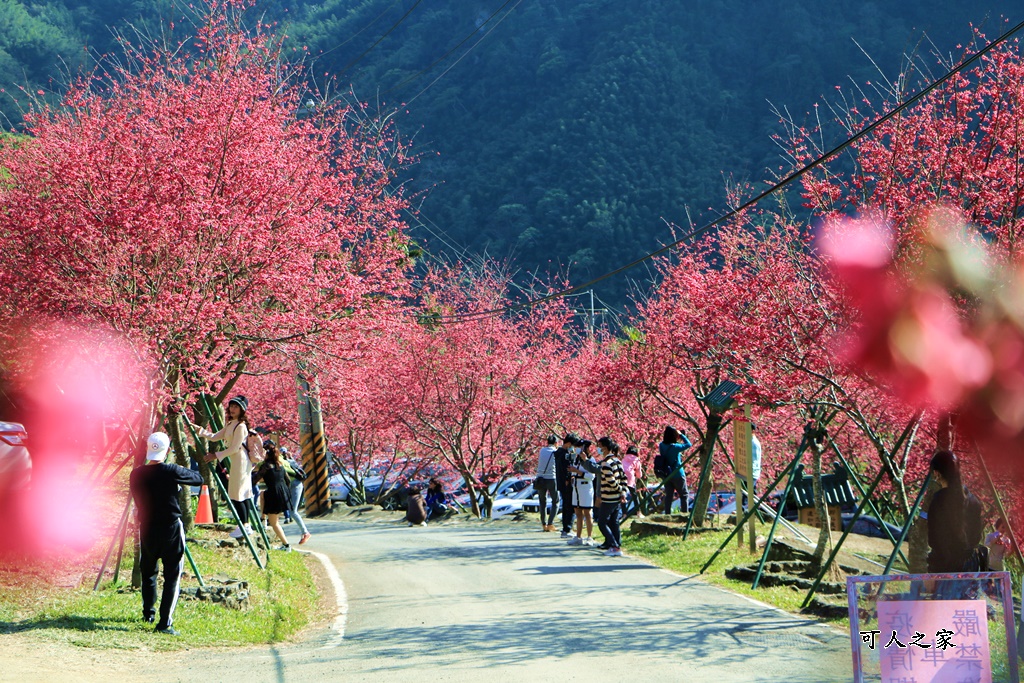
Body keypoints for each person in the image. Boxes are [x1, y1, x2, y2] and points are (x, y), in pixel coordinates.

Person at [129, 432, 203, 635]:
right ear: (168, 450)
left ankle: (148, 613)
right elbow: (198, 478)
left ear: (147, 449)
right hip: (170, 527)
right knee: (172, 575)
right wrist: (177, 468)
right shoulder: (171, 471)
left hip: (147, 527)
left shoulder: (136, 474)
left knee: (149, 571)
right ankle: (164, 623)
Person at [196, 395, 257, 539]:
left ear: (242, 410)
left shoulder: (241, 426)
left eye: (236, 406)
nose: (233, 409)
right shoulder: (231, 424)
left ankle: (244, 525)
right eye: (232, 406)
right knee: (240, 493)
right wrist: (200, 431)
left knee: (238, 494)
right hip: (237, 461)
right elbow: (215, 436)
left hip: (241, 461)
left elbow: (235, 448)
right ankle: (245, 525)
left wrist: (215, 455)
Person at [927, 450, 984, 572]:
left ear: (937, 474)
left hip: (943, 568)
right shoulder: (974, 501)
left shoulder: (938, 501)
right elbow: (976, 536)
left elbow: (934, 540)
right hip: (969, 568)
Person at [252, 442, 293, 551]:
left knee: (275, 523)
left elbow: (254, 480)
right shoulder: (280, 465)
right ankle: (263, 518)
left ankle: (286, 545)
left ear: (266, 454)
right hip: (283, 493)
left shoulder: (266, 466)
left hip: (274, 493)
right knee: (262, 494)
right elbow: (288, 481)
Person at [596, 437, 628, 556]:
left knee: (602, 522)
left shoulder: (606, 463)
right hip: (617, 498)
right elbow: (624, 478)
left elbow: (611, 481)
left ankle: (614, 545)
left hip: (609, 497)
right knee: (614, 522)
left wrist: (620, 491)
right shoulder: (618, 461)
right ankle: (617, 544)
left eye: (599, 446)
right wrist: (623, 492)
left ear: (604, 447)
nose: (598, 448)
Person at [567, 439, 597, 546]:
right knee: (578, 513)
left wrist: (577, 471)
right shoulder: (576, 459)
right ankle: (578, 536)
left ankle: (589, 536)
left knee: (587, 513)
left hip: (586, 487)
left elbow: (591, 476)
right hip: (576, 487)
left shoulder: (590, 460)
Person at [280, 447, 311, 545]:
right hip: (292, 486)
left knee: (293, 511)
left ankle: (305, 532)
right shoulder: (289, 461)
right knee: (289, 510)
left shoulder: (285, 463)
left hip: (296, 485)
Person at [659, 426, 692, 515]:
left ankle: (667, 514)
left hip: (667, 474)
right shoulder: (675, 447)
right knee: (684, 495)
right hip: (678, 473)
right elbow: (689, 444)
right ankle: (684, 514)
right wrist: (681, 435)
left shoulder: (661, 445)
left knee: (669, 496)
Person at [554, 433, 578, 538]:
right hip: (566, 482)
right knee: (570, 506)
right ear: (568, 443)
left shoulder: (558, 452)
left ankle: (566, 528)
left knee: (566, 505)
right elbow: (566, 469)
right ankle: (567, 528)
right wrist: (568, 479)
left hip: (561, 482)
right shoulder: (564, 454)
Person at [534, 435, 559, 532]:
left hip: (540, 479)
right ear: (556, 443)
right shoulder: (556, 452)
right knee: (555, 501)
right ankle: (550, 523)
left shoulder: (542, 450)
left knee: (542, 502)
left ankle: (543, 524)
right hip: (552, 478)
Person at [621, 445, 643, 518]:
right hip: (630, 477)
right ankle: (639, 512)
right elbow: (639, 473)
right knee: (634, 495)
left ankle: (624, 514)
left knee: (623, 495)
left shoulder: (624, 458)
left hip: (621, 476)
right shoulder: (636, 459)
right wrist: (638, 476)